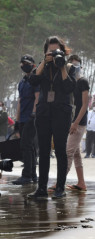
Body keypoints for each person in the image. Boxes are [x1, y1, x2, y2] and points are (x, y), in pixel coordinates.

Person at [27, 36, 76, 200]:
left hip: (61, 112)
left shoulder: (69, 67)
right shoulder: (43, 68)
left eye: (57, 51)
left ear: (63, 51)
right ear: (45, 52)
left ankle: (60, 188)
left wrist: (61, 66)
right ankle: (41, 188)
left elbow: (69, 88)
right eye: (51, 51)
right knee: (44, 150)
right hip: (43, 113)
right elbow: (32, 80)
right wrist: (44, 61)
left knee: (61, 150)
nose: (54, 54)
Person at [12, 55, 39, 185]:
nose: (23, 65)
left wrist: (33, 114)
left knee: (26, 146)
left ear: (33, 65)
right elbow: (20, 101)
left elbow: (37, 97)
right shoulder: (22, 82)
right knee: (29, 147)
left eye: (26, 63)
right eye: (22, 63)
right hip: (22, 118)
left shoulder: (35, 80)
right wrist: (17, 121)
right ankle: (33, 175)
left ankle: (27, 175)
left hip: (31, 117)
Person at [65, 55, 89, 191]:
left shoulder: (82, 81)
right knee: (76, 153)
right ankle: (81, 183)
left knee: (68, 152)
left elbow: (84, 105)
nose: (74, 67)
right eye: (71, 65)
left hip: (79, 122)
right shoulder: (69, 83)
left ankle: (59, 182)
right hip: (71, 121)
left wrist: (75, 123)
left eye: (77, 65)